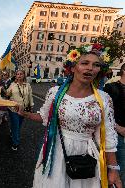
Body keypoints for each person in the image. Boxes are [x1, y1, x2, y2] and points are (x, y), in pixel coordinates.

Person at [18, 44, 121, 188]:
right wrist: (25, 113)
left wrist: (114, 170)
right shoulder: (55, 93)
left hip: (87, 155)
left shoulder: (104, 99)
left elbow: (108, 137)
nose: (90, 68)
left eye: (96, 65)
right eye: (85, 63)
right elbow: (44, 117)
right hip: (56, 151)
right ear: (72, 67)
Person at [104, 63, 125, 185]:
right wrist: (118, 128)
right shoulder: (111, 88)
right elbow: (104, 114)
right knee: (117, 171)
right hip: (117, 136)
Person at [5, 70, 33, 151]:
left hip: (23, 109)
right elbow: (7, 95)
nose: (19, 75)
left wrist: (31, 106)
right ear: (16, 76)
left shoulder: (28, 85)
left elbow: (30, 96)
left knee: (19, 125)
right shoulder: (12, 85)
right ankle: (15, 143)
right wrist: (5, 90)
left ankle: (12, 132)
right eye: (17, 74)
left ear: (24, 75)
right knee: (16, 125)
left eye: (21, 74)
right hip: (13, 109)